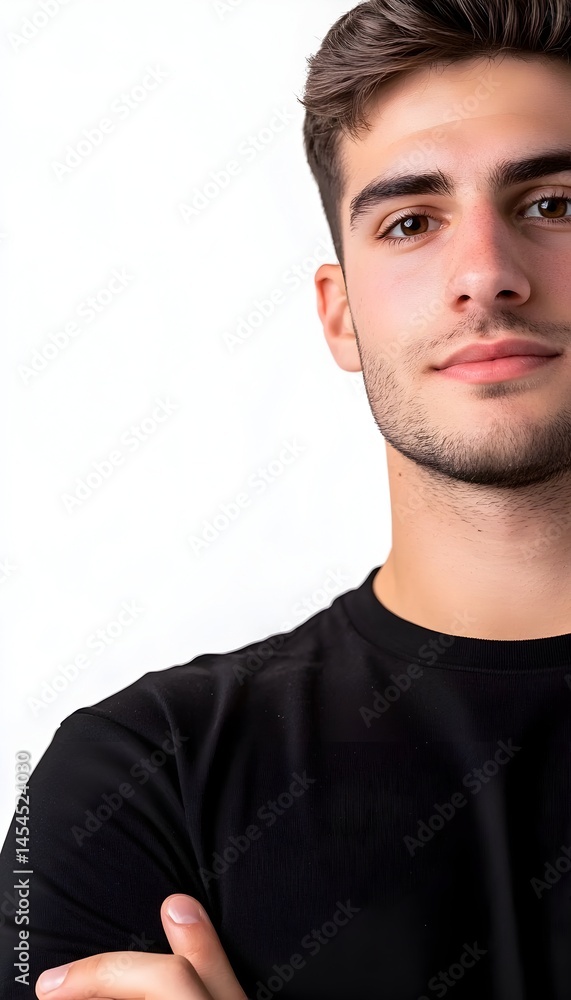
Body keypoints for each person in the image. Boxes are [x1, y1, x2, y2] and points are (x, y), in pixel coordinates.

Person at [3, 0, 571, 996]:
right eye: (410, 222)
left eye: (553, 206)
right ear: (340, 316)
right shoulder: (139, 780)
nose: (485, 275)